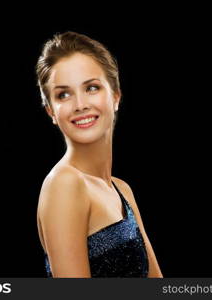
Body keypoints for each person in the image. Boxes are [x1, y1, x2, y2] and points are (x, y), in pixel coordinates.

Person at [35, 31, 163, 278]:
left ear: (116, 96)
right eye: (64, 94)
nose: (80, 104)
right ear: (51, 111)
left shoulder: (122, 190)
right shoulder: (64, 184)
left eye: (91, 88)